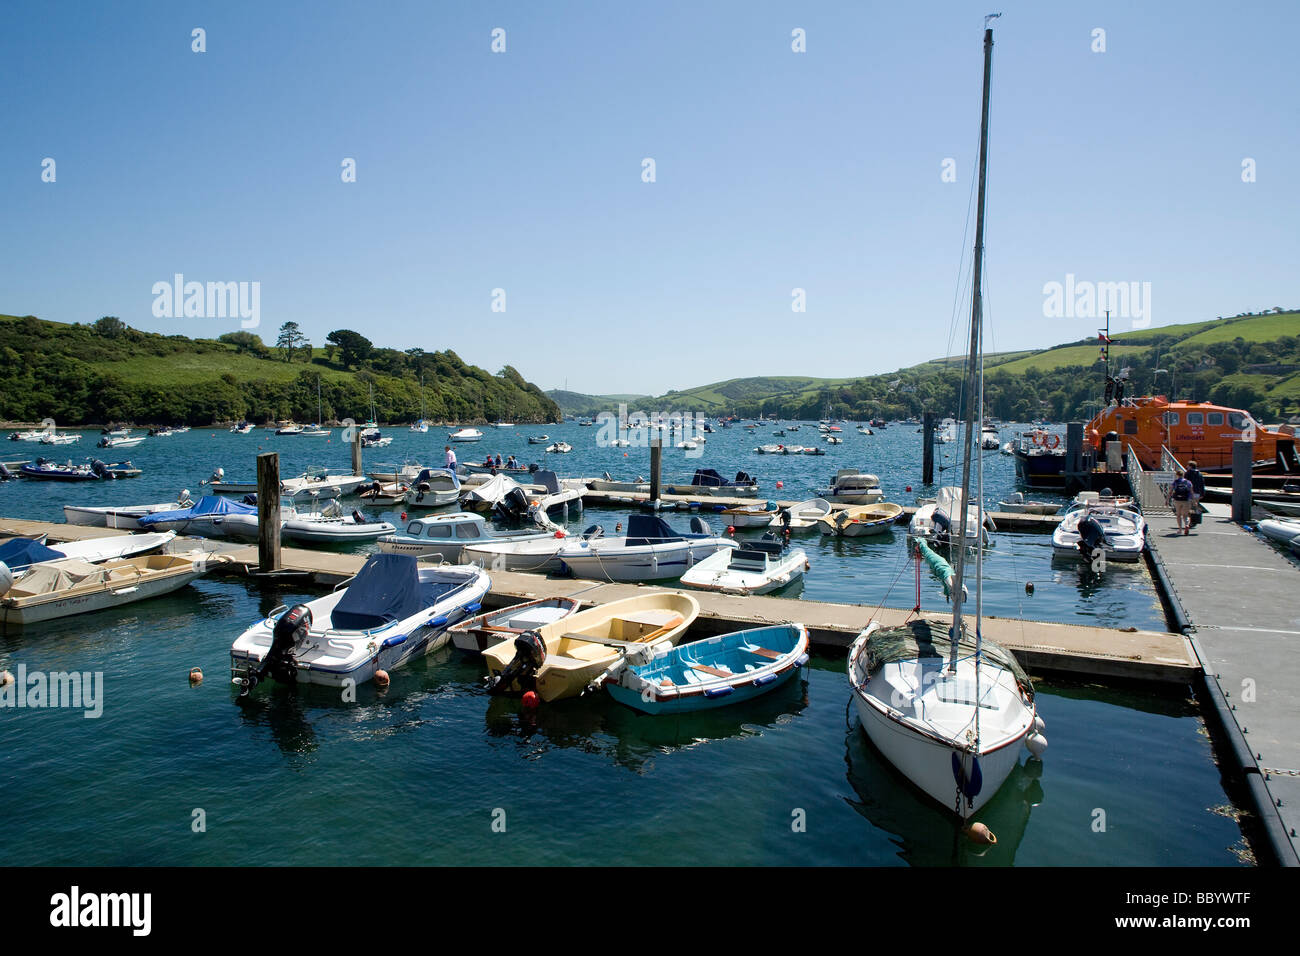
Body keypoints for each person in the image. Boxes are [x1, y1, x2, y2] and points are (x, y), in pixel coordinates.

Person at [1167, 467, 1194, 535]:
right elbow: (1191, 492)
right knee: (1185, 515)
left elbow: (1170, 491)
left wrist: (1167, 500)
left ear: (1177, 475)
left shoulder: (1175, 482)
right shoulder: (1188, 482)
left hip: (1177, 500)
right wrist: (1193, 500)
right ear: (1183, 474)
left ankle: (1180, 529)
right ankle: (1187, 525)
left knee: (1178, 515)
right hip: (1186, 500)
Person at [1185, 459, 1205, 527]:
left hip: (1190, 493)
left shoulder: (1188, 473)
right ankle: (1194, 520)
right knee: (1194, 506)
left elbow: (1186, 483)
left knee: (1189, 507)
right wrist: (1202, 493)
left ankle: (1190, 521)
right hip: (1197, 493)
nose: (1187, 466)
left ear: (1190, 466)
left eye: (1188, 465)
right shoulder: (1199, 474)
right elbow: (1202, 484)